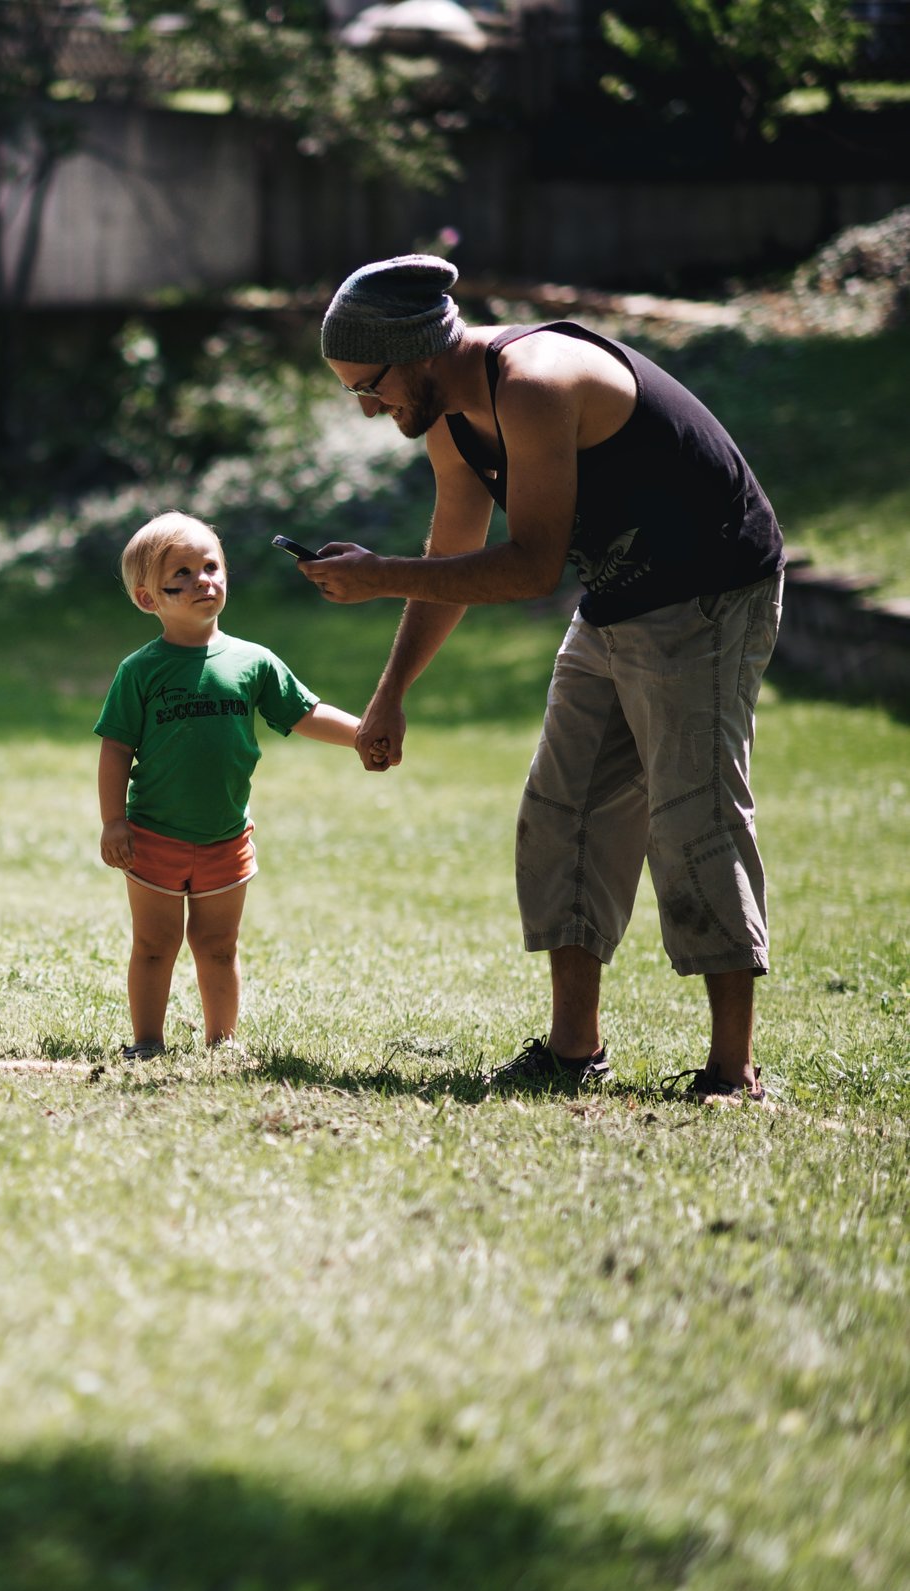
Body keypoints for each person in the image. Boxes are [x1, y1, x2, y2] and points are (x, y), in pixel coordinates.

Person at [298, 255, 783, 1104]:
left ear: (414, 349)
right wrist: (389, 694)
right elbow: (447, 555)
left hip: (709, 588)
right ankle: (572, 1051)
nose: (370, 407)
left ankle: (732, 1070)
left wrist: (381, 574)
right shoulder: (448, 415)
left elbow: (529, 567)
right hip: (618, 595)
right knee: (564, 810)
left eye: (368, 385)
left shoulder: (533, 383)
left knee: (691, 808)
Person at [97, 513, 363, 1058]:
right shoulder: (140, 671)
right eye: (184, 573)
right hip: (154, 838)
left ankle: (222, 1044)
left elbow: (304, 713)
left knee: (219, 946)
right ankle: (146, 1044)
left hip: (226, 838)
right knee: (153, 945)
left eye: (212, 566)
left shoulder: (252, 661)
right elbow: (116, 749)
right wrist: (113, 821)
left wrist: (362, 735)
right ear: (149, 599)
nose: (204, 580)